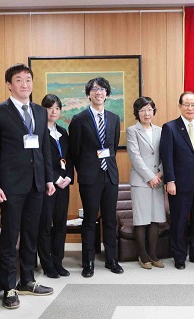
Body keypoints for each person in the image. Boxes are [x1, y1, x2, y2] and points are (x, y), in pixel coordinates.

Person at [0, 63, 55, 309]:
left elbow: (44, 148)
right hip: (10, 186)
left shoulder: (39, 111)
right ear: (9, 85)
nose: (25, 85)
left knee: (31, 234)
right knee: (11, 235)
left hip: (36, 184)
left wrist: (48, 179)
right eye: (19, 80)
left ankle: (27, 280)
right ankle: (9, 286)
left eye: (28, 80)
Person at [69, 76, 123, 277]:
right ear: (88, 94)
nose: (98, 92)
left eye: (102, 89)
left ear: (107, 94)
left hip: (109, 175)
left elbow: (113, 146)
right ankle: (88, 263)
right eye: (94, 89)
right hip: (89, 177)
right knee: (89, 220)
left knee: (110, 220)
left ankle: (112, 260)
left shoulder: (114, 118)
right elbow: (75, 151)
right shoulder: (79, 119)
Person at [160, 91, 194, 270]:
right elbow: (166, 157)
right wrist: (170, 180)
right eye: (187, 104)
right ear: (180, 106)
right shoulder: (170, 127)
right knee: (179, 221)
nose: (190, 108)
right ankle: (179, 256)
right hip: (179, 184)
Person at [126, 97, 166, 269]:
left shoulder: (161, 130)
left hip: (158, 180)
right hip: (141, 180)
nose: (146, 113)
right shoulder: (132, 130)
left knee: (155, 219)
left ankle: (153, 254)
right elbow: (135, 157)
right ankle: (143, 256)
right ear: (137, 113)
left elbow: (167, 154)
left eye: (149, 109)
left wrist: (160, 174)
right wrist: (150, 176)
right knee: (141, 220)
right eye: (142, 110)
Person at [37, 94, 73, 278]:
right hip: (47, 186)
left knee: (60, 224)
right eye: (50, 107)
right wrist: (55, 178)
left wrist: (68, 177)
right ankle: (47, 264)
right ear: (43, 110)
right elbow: (40, 160)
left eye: (57, 108)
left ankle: (58, 262)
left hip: (64, 185)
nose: (53, 111)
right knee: (45, 225)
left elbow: (69, 158)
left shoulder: (63, 132)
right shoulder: (38, 132)